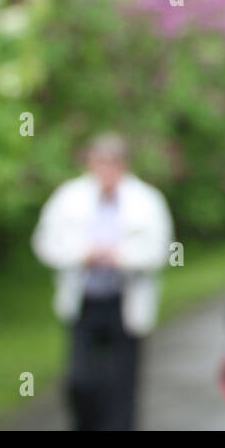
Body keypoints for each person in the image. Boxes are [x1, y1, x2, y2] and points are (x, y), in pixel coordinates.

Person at [31, 132, 173, 430]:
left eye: (113, 163)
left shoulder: (146, 200)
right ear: (91, 163)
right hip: (85, 300)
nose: (106, 170)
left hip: (125, 301)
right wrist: (82, 254)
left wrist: (121, 256)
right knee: (81, 380)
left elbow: (161, 250)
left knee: (122, 383)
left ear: (124, 165)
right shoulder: (69, 197)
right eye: (101, 163)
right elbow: (45, 242)